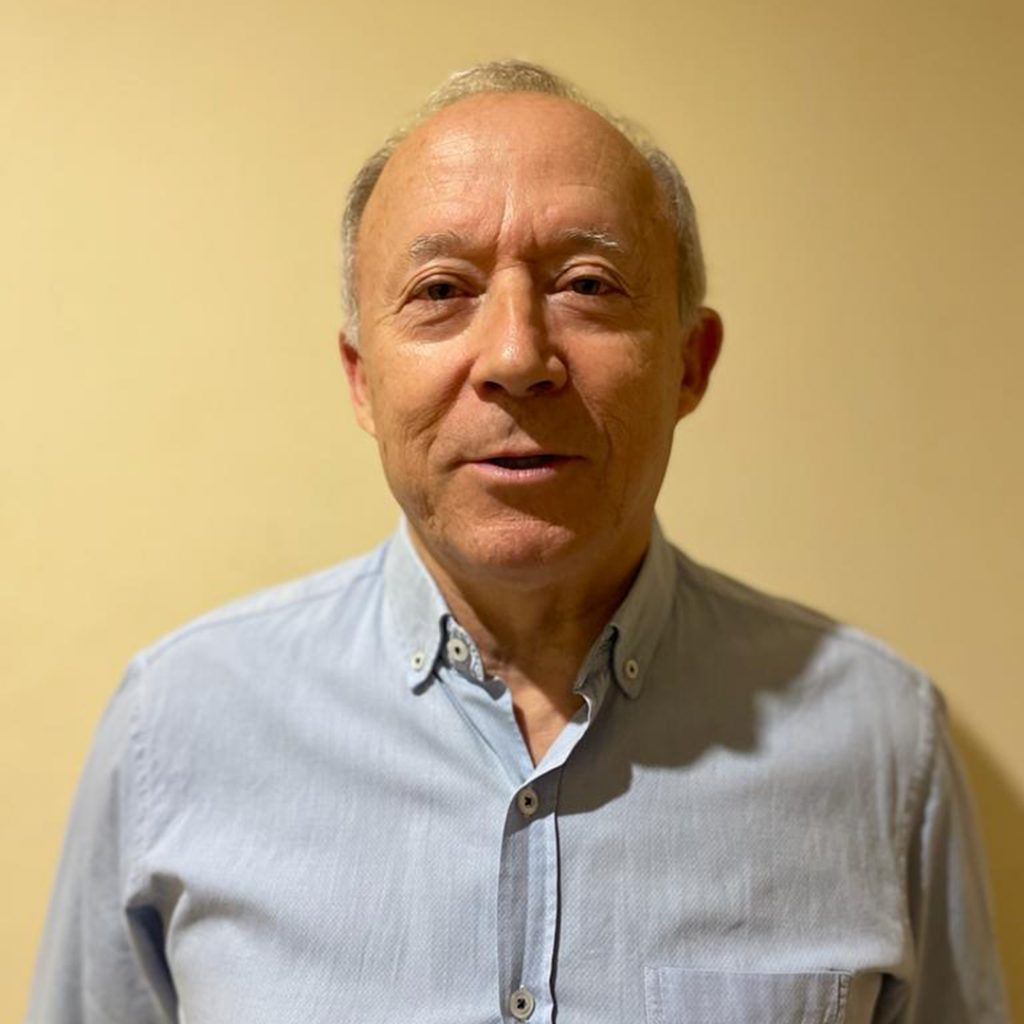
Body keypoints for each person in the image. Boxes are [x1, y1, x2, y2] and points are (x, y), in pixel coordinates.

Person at [27, 61, 1008, 1023]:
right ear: (362, 378)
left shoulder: (880, 742)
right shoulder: (176, 727)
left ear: (689, 364)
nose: (515, 356)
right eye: (440, 290)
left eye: (587, 283)